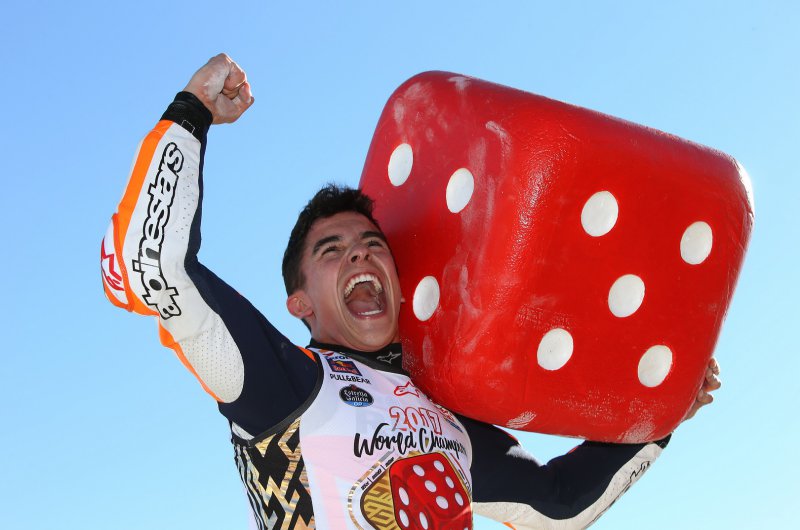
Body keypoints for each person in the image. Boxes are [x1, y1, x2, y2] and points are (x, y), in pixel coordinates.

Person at [101, 53, 721, 529]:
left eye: (373, 243)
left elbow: (557, 507)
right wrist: (192, 111)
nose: (360, 254)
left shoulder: (448, 417)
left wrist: (660, 415)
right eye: (332, 250)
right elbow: (154, 267)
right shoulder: (282, 384)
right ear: (300, 304)